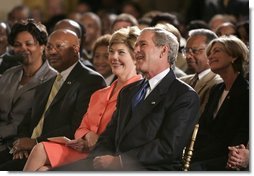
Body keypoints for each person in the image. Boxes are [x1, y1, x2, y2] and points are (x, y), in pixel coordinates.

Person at [51, 27, 200, 171]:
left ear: (163, 50)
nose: (136, 50)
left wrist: (120, 161)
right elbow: (108, 136)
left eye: (143, 44)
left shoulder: (184, 96)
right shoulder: (129, 91)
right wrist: (97, 159)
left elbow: (167, 148)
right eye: (136, 46)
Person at [23, 26, 142, 171]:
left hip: (107, 155)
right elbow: (81, 127)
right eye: (111, 52)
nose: (113, 57)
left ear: (136, 57)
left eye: (121, 52)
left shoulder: (140, 92)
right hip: (83, 150)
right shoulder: (100, 93)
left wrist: (96, 141)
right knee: (40, 150)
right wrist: (87, 135)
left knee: (43, 169)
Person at [0, 29, 106, 170]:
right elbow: (27, 121)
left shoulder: (90, 80)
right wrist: (22, 143)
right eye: (49, 47)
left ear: (75, 49)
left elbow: (76, 126)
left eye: (59, 46)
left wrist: (34, 142)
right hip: (25, 150)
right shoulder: (47, 83)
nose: (52, 52)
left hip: (54, 151)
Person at [0, 19, 56, 163]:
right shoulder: (9, 74)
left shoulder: (53, 78)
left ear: (42, 46)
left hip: (22, 145)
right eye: (18, 45)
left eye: (29, 44)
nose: (23, 49)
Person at [191, 35, 249, 170]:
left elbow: (241, 133)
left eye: (217, 51)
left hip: (227, 157)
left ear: (234, 56)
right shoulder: (216, 89)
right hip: (205, 152)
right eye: (209, 53)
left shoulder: (247, 92)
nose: (210, 56)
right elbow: (204, 126)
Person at [180, 29, 222, 114]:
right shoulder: (182, 81)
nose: (188, 56)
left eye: (195, 51)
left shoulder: (218, 84)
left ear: (212, 51)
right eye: (187, 51)